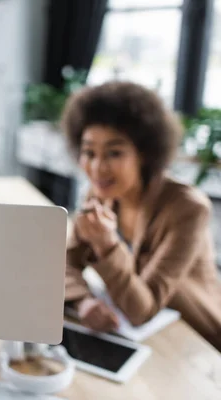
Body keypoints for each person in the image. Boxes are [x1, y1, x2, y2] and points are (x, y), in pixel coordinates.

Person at [62, 81, 221, 351]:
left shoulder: (188, 209)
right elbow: (64, 264)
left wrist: (107, 245)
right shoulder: (100, 195)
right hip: (139, 338)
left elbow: (141, 310)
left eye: (114, 152)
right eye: (89, 152)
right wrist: (84, 301)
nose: (98, 167)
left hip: (194, 340)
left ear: (145, 153)